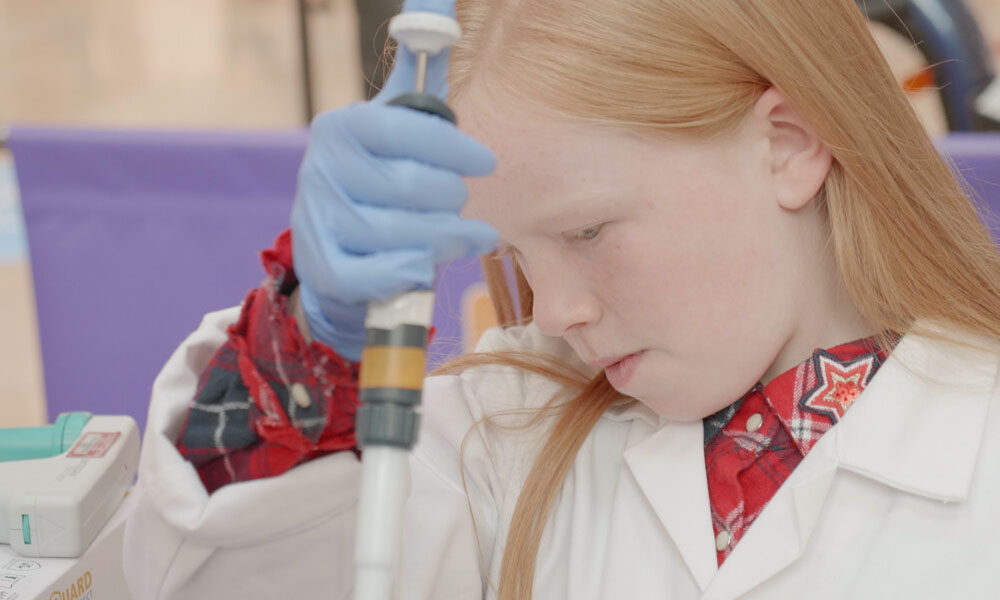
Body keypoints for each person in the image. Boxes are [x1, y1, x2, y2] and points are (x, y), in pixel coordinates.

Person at [122, 0, 1000, 598]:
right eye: (513, 255)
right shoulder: (503, 435)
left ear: (788, 144)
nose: (550, 312)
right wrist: (309, 334)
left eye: (586, 232)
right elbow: (227, 570)